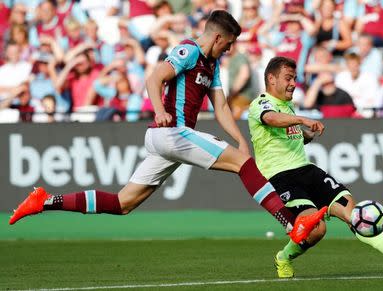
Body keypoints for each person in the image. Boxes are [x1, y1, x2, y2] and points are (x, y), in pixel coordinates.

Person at [9, 10, 325, 245]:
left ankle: (45, 201)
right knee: (244, 165)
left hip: (171, 141)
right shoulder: (187, 51)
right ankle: (290, 223)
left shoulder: (211, 65)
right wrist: (159, 110)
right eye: (227, 45)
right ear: (216, 38)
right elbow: (154, 78)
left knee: (123, 203)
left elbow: (222, 107)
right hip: (172, 132)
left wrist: (240, 141)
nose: (227, 51)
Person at [247, 56, 383, 278]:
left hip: (307, 169)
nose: (293, 83)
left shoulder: (288, 106)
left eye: (295, 78)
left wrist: (306, 134)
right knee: (317, 230)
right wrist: (302, 120)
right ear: (271, 78)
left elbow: (289, 134)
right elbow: (270, 118)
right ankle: (283, 257)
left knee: (353, 212)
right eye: (288, 78)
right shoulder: (260, 104)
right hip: (280, 177)